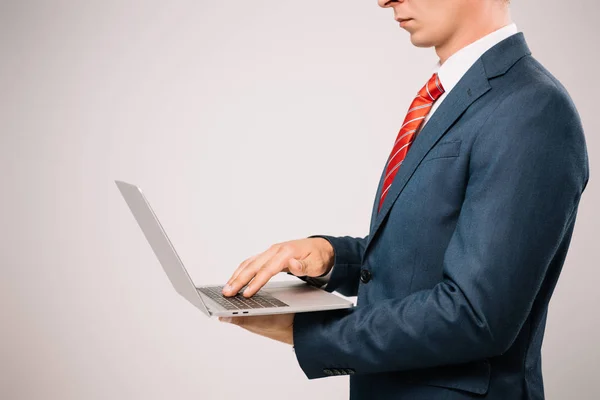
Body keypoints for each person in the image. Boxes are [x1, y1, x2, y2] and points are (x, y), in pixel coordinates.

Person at [218, 0, 590, 398]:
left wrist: (307, 333)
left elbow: (476, 316)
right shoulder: (452, 97)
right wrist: (330, 257)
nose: (384, 0)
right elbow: (423, 256)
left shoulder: (531, 108)